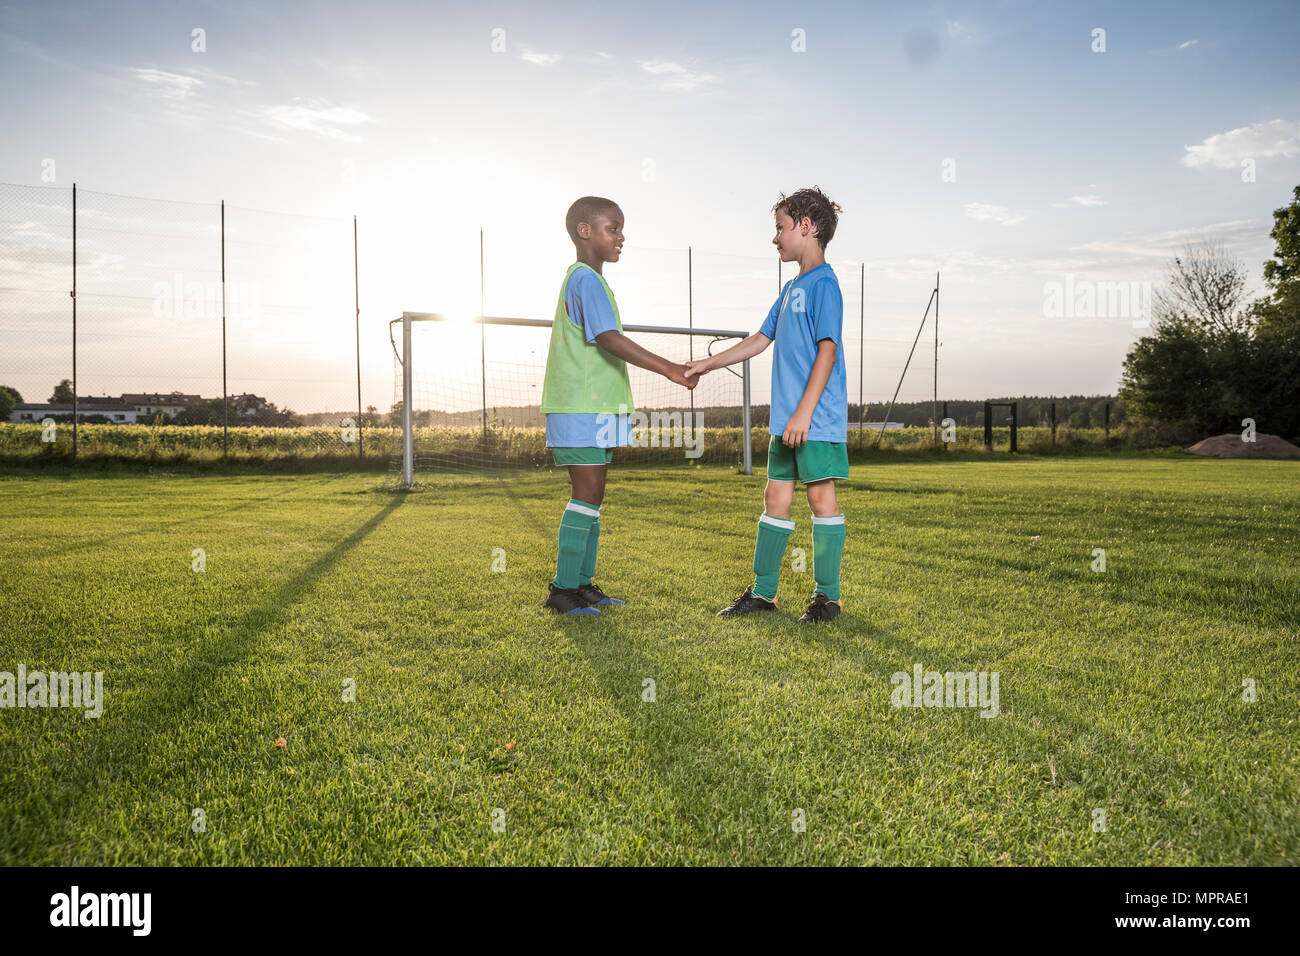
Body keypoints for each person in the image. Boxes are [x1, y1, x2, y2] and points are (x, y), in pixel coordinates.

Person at [685, 187, 848, 623]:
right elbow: (759, 339)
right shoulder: (792, 286)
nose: (775, 238)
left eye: (780, 228)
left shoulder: (825, 285)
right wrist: (708, 363)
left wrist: (804, 413)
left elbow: (828, 352)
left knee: (820, 499)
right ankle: (764, 593)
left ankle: (827, 599)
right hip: (788, 421)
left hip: (815, 419)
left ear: (807, 227)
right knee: (775, 496)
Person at [540, 196, 698, 616]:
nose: (622, 236)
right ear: (584, 231)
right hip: (580, 408)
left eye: (622, 228)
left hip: (603, 409)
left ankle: (582, 585)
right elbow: (607, 338)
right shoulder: (584, 279)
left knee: (595, 496)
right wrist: (668, 368)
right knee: (585, 494)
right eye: (614, 228)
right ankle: (561, 590)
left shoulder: (593, 280)